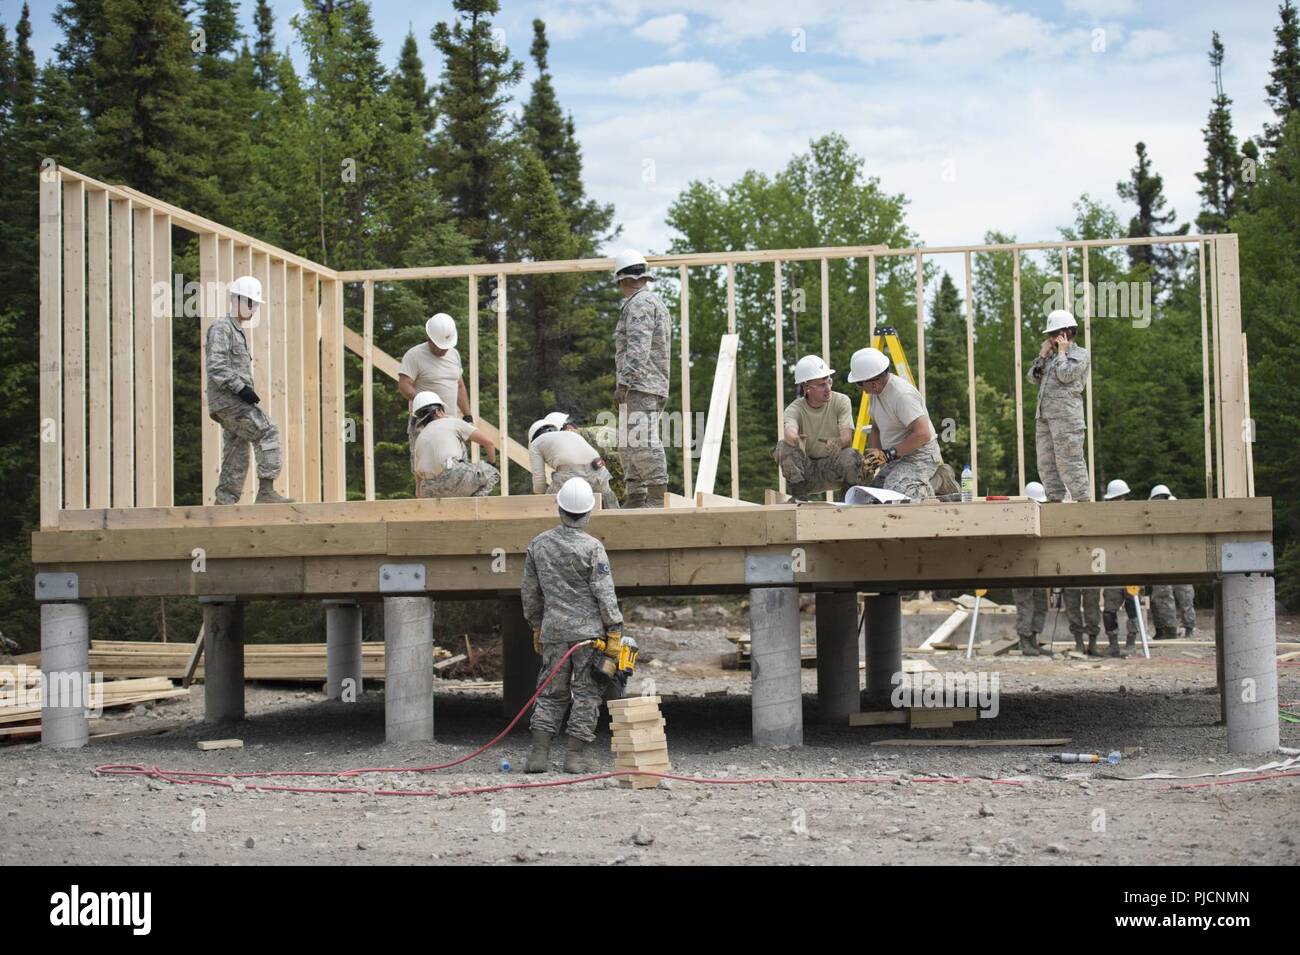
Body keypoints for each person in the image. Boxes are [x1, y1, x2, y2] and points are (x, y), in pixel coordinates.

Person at [522, 478, 625, 774]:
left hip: (554, 632)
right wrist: (615, 630)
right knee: (587, 694)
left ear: (560, 508)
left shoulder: (538, 545)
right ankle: (575, 757)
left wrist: (536, 625)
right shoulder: (593, 548)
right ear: (589, 512)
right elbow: (604, 594)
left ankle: (538, 756)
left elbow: (529, 592)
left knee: (551, 691)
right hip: (588, 637)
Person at [206, 275, 293, 505]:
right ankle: (266, 492)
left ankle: (224, 502)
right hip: (229, 401)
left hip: (232, 402)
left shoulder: (236, 330)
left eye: (255, 305)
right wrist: (241, 388)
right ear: (238, 299)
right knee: (267, 430)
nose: (253, 309)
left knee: (237, 448)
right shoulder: (222, 328)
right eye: (251, 303)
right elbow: (216, 365)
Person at [612, 249, 671, 508]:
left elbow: (638, 348)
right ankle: (636, 495)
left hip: (641, 385)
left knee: (642, 440)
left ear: (622, 280)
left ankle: (657, 497)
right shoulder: (652, 303)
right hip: (647, 384)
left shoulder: (639, 305)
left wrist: (624, 383)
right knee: (629, 442)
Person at [847, 346, 943, 502]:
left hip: (921, 455)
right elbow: (877, 426)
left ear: (873, 383)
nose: (861, 389)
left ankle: (936, 485)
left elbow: (922, 434)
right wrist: (873, 457)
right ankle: (916, 483)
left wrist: (887, 454)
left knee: (897, 493)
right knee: (872, 495)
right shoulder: (875, 394)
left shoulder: (902, 395)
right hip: (897, 456)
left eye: (859, 384)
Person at [772, 355, 867, 498]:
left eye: (829, 381)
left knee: (852, 456)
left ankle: (850, 500)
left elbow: (847, 438)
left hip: (834, 468)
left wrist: (838, 442)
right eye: (822, 385)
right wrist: (796, 440)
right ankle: (800, 499)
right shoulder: (794, 409)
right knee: (783, 447)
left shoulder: (841, 401)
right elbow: (789, 431)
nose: (828, 388)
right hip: (807, 473)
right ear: (806, 388)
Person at [1028, 309, 1092, 503]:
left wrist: (1062, 352)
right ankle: (1055, 500)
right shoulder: (1052, 358)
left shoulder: (1080, 354)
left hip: (1067, 419)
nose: (1053, 338)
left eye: (1057, 333)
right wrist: (1043, 356)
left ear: (1069, 332)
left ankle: (1083, 501)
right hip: (1045, 418)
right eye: (1051, 334)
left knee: (1070, 461)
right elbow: (1032, 377)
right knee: (1046, 463)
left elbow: (1066, 375)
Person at [399, 313, 471, 471]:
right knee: (426, 472)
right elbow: (404, 385)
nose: (444, 349)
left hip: (451, 422)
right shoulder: (414, 355)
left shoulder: (454, 354)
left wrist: (467, 415)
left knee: (457, 470)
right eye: (440, 346)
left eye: (447, 345)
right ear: (429, 338)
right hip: (424, 423)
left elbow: (459, 386)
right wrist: (426, 403)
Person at [411, 393, 499, 498]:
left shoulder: (419, 439)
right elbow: (489, 443)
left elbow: (418, 477)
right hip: (454, 477)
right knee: (491, 473)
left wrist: (420, 498)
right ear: (438, 411)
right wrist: (491, 467)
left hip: (429, 489)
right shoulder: (452, 422)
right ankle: (475, 504)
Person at [529, 412, 619, 509]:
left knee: (548, 505)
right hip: (598, 469)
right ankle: (620, 518)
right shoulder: (571, 434)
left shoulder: (535, 444)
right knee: (608, 498)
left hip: (570, 473)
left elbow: (539, 479)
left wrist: (539, 497)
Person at [1148, 484, 1197, 638]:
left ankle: (1187, 628)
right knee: (1163, 594)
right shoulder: (1150, 516)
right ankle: (1168, 630)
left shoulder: (1178, 514)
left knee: (1184, 594)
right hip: (1161, 560)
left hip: (1179, 559)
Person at [1098, 478, 1139, 656]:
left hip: (1131, 569)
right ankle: (1113, 644)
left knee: (1132, 606)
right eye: (1115, 499)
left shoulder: (1136, 517)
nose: (1118, 502)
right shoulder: (1105, 520)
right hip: (1112, 570)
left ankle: (1131, 642)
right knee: (1109, 610)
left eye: (1121, 498)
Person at [1012, 481, 1053, 656]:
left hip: (1038, 569)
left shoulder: (1043, 516)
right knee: (1025, 606)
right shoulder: (1017, 517)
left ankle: (1033, 640)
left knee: (1040, 605)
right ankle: (1025, 642)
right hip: (1021, 569)